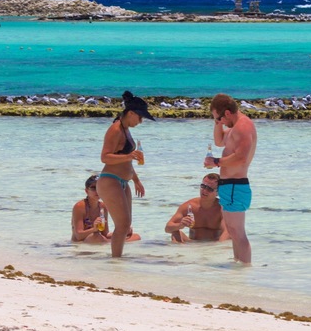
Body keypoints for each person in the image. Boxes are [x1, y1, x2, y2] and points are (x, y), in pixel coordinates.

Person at [96, 90, 154, 257]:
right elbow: (105, 157)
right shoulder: (115, 129)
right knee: (122, 224)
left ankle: (118, 258)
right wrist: (130, 155)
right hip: (110, 180)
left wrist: (136, 179)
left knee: (126, 225)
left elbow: (125, 160)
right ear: (130, 113)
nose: (141, 121)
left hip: (123, 181)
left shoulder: (125, 129)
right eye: (140, 117)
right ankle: (115, 261)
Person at [203, 93, 256, 264]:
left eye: (220, 118)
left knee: (238, 233)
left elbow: (241, 157)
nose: (221, 123)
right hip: (229, 187)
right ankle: (238, 269)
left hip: (236, 186)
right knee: (233, 232)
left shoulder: (244, 126)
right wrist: (216, 121)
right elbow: (219, 141)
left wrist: (217, 162)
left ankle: (245, 268)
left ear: (227, 113)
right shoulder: (235, 127)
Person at [165, 173, 230, 243]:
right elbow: (167, 229)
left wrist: (217, 248)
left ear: (218, 192)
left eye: (209, 189)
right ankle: (180, 253)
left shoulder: (222, 208)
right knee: (175, 233)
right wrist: (180, 225)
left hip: (214, 244)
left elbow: (227, 232)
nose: (204, 190)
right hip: (193, 244)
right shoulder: (189, 206)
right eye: (203, 186)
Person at [71, 174, 109, 243]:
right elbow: (78, 236)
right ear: (86, 191)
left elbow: (105, 234)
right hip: (80, 244)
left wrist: (124, 231)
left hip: (96, 240)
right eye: (93, 188)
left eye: (100, 187)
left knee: (134, 236)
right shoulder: (80, 207)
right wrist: (94, 229)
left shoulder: (103, 207)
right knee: (96, 236)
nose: (97, 190)